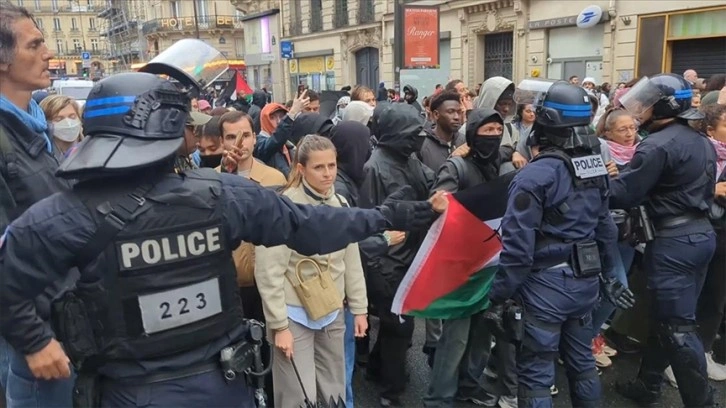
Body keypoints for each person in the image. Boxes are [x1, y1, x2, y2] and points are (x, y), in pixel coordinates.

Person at [0, 69, 445, 408]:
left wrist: (33, 339)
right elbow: (313, 229)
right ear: (173, 129)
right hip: (208, 383)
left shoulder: (60, 215)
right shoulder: (221, 196)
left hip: (157, 387)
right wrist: (399, 213)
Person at [484, 80, 633, 408]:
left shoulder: (534, 177)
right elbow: (605, 226)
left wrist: (497, 297)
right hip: (586, 282)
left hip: (544, 288)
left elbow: (518, 251)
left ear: (546, 120)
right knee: (581, 365)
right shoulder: (594, 167)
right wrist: (610, 273)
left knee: (537, 375)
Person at [611, 74, 718, 407]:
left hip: (673, 242)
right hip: (699, 236)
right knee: (666, 318)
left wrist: (591, 177)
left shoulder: (657, 144)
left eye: (648, 101)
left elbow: (624, 194)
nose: (641, 108)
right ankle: (648, 385)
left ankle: (703, 403)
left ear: (663, 106)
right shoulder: (697, 138)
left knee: (676, 327)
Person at [0, 2, 75, 405]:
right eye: (35, 44)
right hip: (33, 336)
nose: (48, 53)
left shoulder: (31, 125)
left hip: (59, 318)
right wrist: (33, 339)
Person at [424, 108, 509, 407]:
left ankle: (469, 386)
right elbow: (439, 202)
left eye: (498, 132)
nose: (494, 137)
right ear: (473, 133)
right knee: (455, 338)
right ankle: (439, 397)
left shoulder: (504, 162)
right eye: (487, 132)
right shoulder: (457, 166)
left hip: (491, 263)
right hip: (461, 266)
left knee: (483, 332)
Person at [361, 103, 435, 407]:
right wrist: (375, 267)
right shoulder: (373, 168)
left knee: (400, 325)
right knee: (399, 325)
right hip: (385, 261)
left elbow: (431, 183)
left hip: (409, 258)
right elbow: (366, 221)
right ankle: (391, 392)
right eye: (411, 135)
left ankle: (379, 369)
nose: (417, 141)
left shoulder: (411, 159)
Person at [330, 121, 404, 408]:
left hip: (349, 283)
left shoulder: (350, 178)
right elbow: (346, 241)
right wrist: (383, 240)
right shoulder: (338, 185)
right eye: (363, 145)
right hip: (342, 286)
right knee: (341, 361)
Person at [475, 76, 524, 173]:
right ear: (489, 101)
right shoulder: (467, 130)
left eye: (509, 104)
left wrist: (516, 152)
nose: (506, 109)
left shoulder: (510, 129)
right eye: (502, 104)